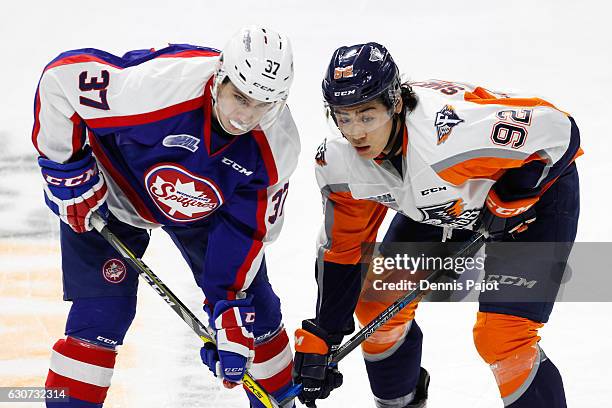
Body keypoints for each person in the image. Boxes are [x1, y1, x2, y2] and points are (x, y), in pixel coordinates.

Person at [292, 42, 581, 408]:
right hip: (441, 204)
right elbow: (345, 250)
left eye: (367, 116)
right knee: (376, 306)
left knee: (502, 337)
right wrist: (325, 332)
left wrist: (512, 196)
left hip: (534, 201)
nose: (356, 133)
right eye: (343, 117)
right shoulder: (338, 162)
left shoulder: (451, 136)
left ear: (395, 103)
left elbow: (559, 131)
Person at [33, 25, 299, 408]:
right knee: (101, 318)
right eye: (240, 97)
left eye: (263, 105)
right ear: (219, 76)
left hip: (202, 208)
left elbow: (246, 227)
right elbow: (61, 80)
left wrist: (227, 302)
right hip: (111, 192)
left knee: (255, 316)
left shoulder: (277, 147)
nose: (246, 116)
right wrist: (66, 167)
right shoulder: (158, 86)